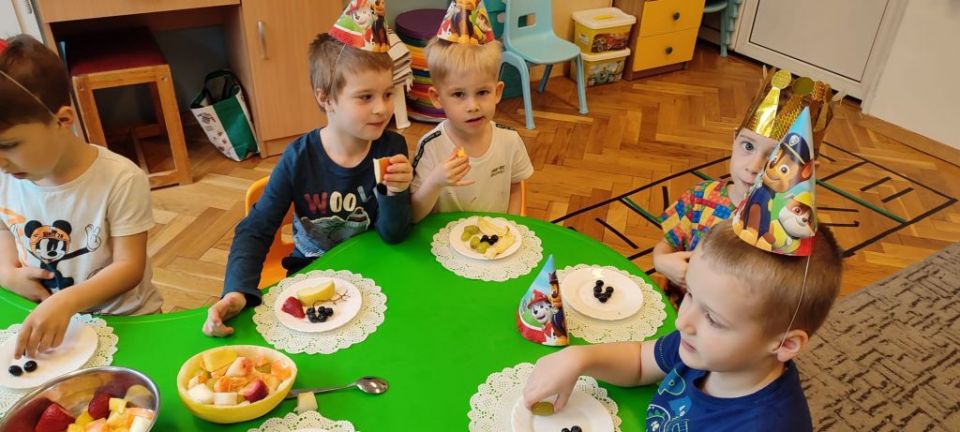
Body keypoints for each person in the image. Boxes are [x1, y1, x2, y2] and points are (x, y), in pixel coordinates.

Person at [203, 2, 412, 337]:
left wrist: (396, 194)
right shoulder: (298, 158)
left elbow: (394, 234)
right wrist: (236, 291)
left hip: (373, 272)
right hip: (310, 276)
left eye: (388, 94)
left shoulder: (392, 148)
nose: (382, 108)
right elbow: (255, 229)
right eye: (365, 97)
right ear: (325, 98)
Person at [0, 35, 163, 358]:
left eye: (8, 145)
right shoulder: (6, 177)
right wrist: (6, 272)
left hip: (126, 322)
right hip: (50, 326)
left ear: (62, 120)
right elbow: (4, 227)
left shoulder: (120, 179)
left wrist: (67, 301)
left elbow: (129, 266)